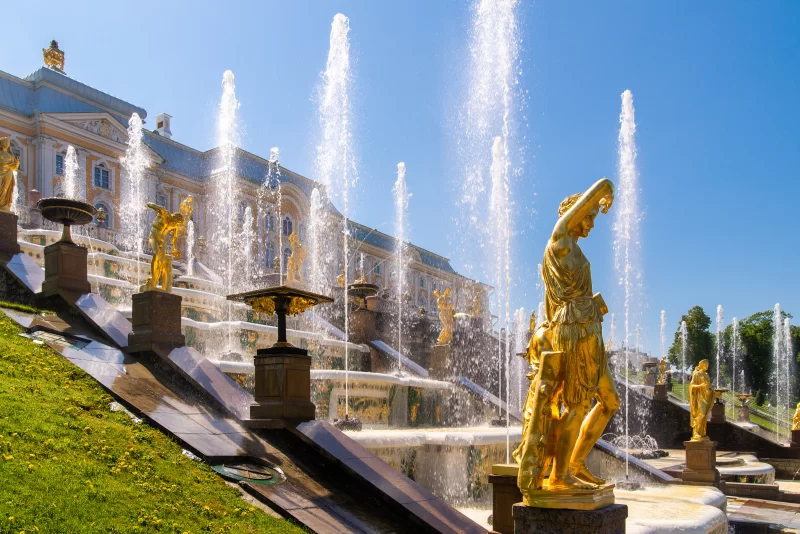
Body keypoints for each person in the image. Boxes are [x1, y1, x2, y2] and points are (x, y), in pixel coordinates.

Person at [518, 177, 619, 493]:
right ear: (574, 214)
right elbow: (588, 200)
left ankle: (575, 463)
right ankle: (560, 475)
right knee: (576, 404)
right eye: (587, 217)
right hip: (571, 329)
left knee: (609, 402)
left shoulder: (574, 248)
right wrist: (604, 189)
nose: (590, 223)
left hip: (588, 328)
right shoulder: (559, 240)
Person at [689, 359, 714, 441]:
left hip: (706, 397)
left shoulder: (706, 375)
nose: (707, 366)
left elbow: (708, 387)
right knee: (701, 414)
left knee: (704, 417)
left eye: (708, 365)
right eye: (705, 365)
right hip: (699, 398)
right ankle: (696, 432)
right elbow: (691, 386)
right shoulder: (696, 374)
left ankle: (701, 433)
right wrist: (700, 386)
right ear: (701, 365)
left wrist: (714, 392)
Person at [0, 138, 20, 212]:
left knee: (6, 188)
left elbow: (14, 167)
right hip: (0, 172)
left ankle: (4, 205)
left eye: (7, 142)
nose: (6, 143)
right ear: (1, 143)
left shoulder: (11, 155)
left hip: (8, 173)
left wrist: (17, 162)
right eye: (4, 142)